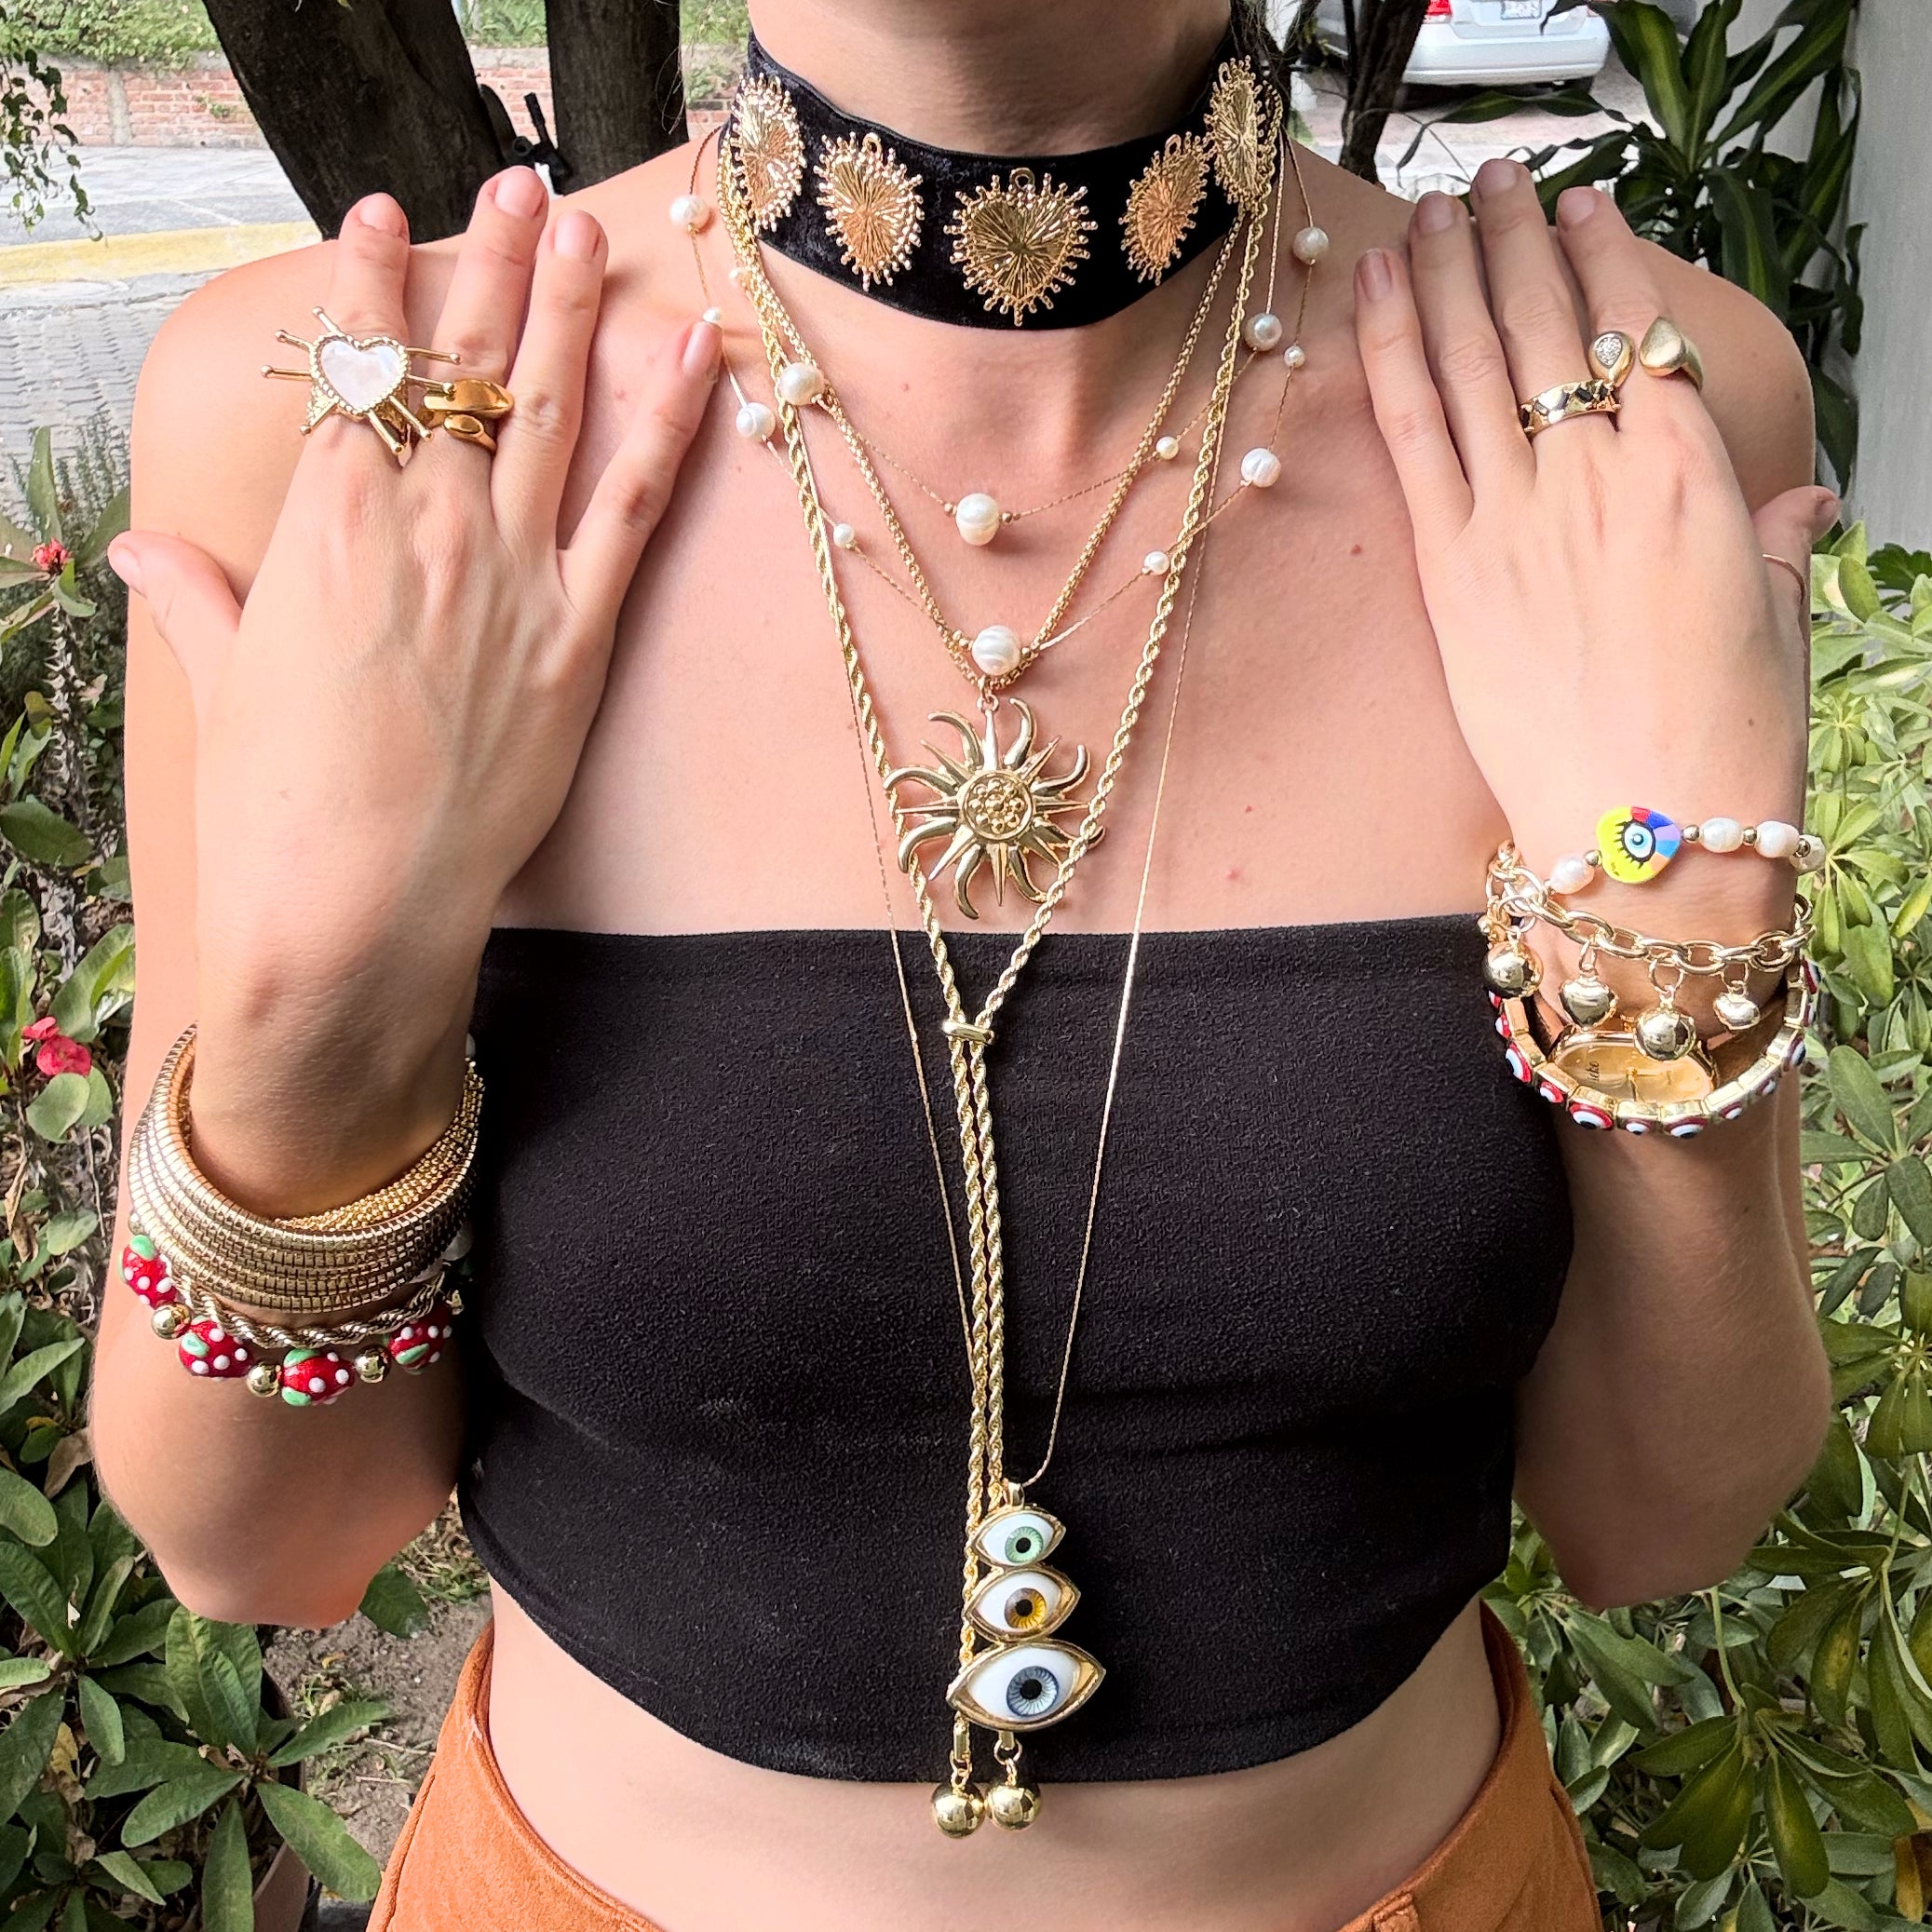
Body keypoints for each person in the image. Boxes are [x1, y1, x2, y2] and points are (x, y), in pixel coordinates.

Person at [93, 3, 1835, 1927]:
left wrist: (1671, 919)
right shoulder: (363, 432)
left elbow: (1667, 1508)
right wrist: (326, 998)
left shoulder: (1614, 415)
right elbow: (265, 1540)